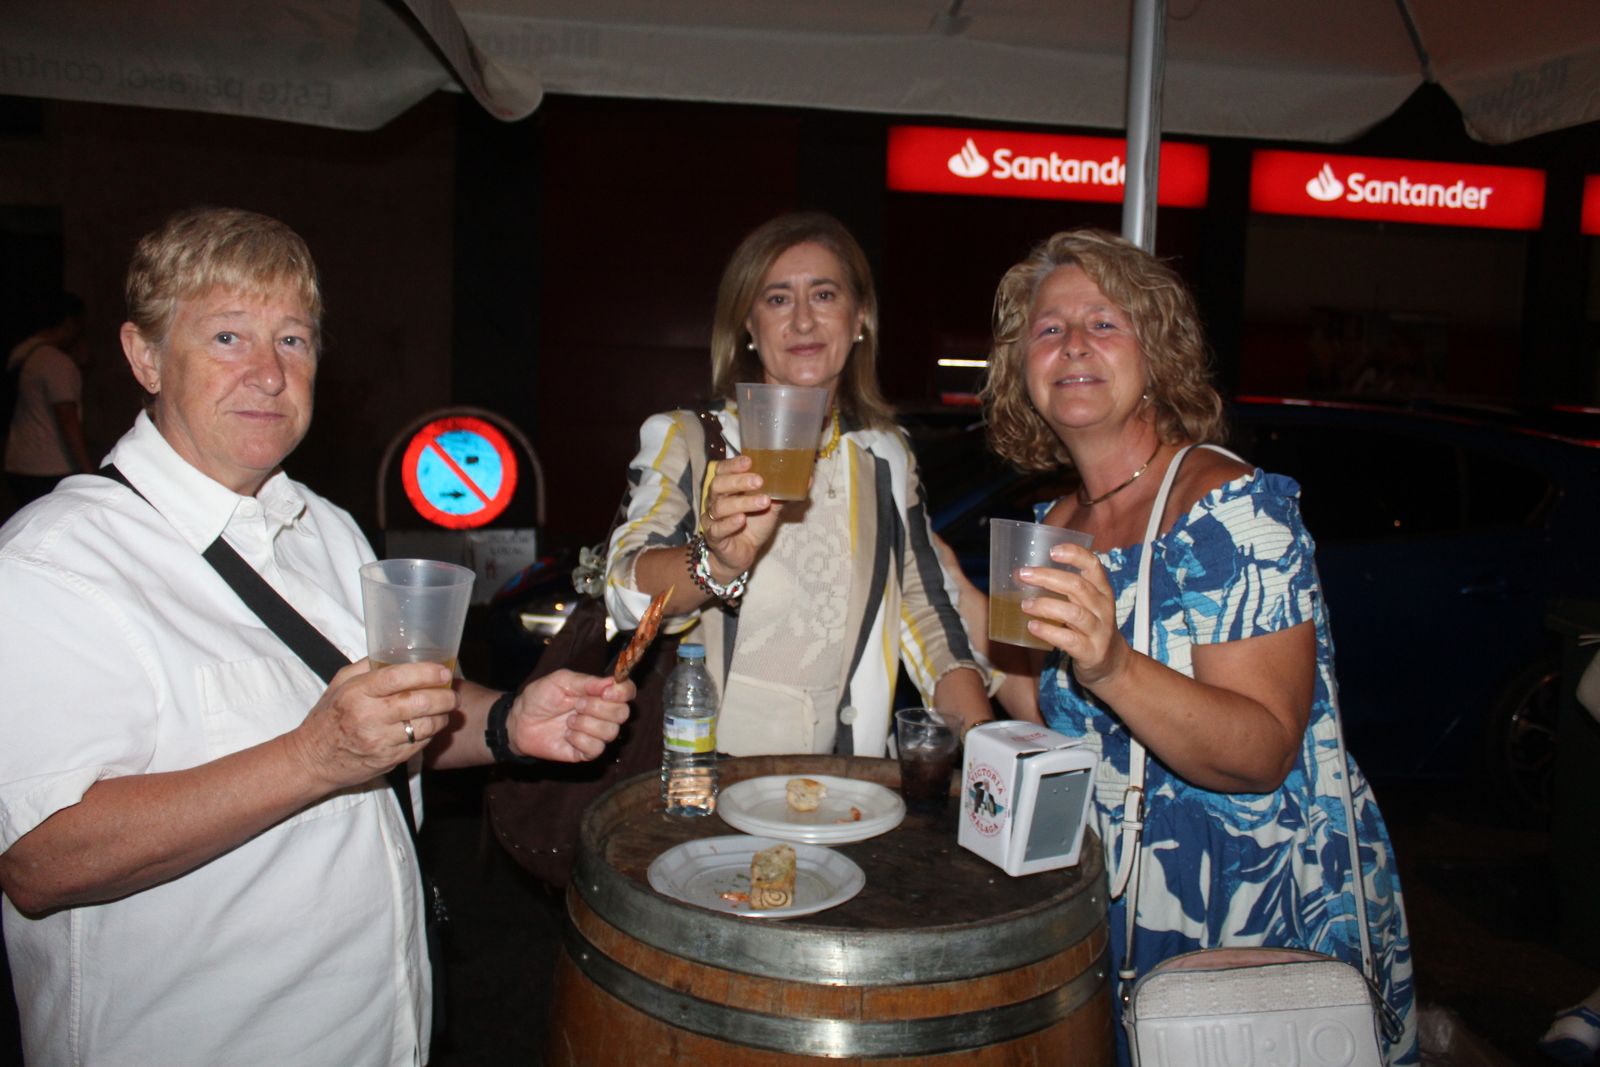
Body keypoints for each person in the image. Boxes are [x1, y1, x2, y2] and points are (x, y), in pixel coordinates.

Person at [0, 207, 634, 1067]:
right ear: (144, 356)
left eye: (293, 341)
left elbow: (387, 713)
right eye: (228, 336)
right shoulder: (56, 562)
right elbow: (40, 856)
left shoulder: (325, 528)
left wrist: (506, 722)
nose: (267, 372)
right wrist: (312, 755)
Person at [977, 229, 1418, 1065]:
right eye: (1048, 329)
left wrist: (1111, 663)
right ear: (1020, 369)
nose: (1072, 343)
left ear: (1157, 350)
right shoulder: (1051, 527)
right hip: (1110, 891)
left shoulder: (1230, 507)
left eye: (1103, 322)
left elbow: (1262, 752)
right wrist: (967, 623)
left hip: (1247, 898)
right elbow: (1055, 722)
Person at [603, 211, 992, 756]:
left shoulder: (882, 452)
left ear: (860, 318)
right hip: (711, 782)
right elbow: (622, 590)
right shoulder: (693, 440)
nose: (804, 322)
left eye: (825, 295)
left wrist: (989, 752)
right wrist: (716, 561)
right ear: (748, 325)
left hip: (845, 787)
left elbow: (926, 614)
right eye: (778, 299)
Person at [4, 291, 93, 506]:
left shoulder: (21, 352)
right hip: (50, 464)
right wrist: (88, 471)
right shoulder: (55, 362)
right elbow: (67, 419)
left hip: (18, 460)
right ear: (70, 323)